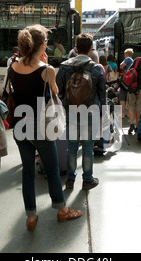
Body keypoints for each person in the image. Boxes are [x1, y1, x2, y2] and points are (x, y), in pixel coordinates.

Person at [9, 24, 82, 231]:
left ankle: (31, 216)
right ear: (42, 46)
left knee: (27, 171)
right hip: (40, 126)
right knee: (51, 169)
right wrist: (46, 66)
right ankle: (61, 210)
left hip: (19, 125)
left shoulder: (12, 66)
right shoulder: (46, 70)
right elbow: (56, 92)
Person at [56, 32, 106, 191]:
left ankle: (70, 180)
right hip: (91, 110)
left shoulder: (64, 66)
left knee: (71, 147)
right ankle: (87, 179)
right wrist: (102, 113)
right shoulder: (97, 68)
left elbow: (59, 91)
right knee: (88, 146)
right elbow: (102, 94)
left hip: (70, 111)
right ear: (91, 48)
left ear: (76, 48)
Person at [118, 48, 134, 118]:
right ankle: (128, 113)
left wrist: (123, 60)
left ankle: (122, 113)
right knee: (129, 97)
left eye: (124, 54)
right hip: (130, 81)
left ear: (126, 54)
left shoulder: (127, 59)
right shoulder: (133, 60)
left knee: (122, 96)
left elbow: (121, 66)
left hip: (125, 80)